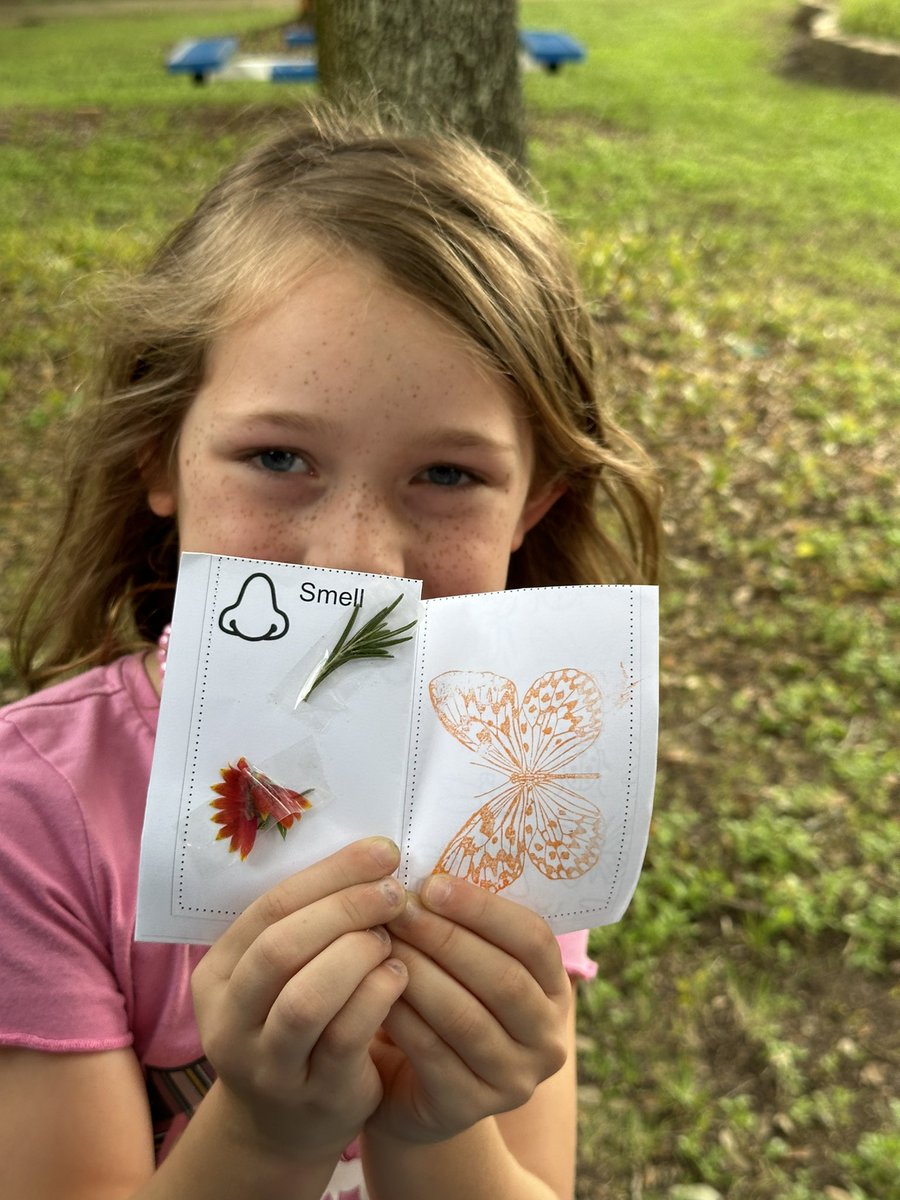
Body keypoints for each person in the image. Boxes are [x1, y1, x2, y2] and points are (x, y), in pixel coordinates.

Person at [0, 109, 660, 1200]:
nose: (355, 563)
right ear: (157, 455)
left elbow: (531, 1177)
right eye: (277, 456)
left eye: (447, 476)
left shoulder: (517, 796)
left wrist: (436, 1128)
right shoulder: (35, 819)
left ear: (532, 505)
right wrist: (265, 1133)